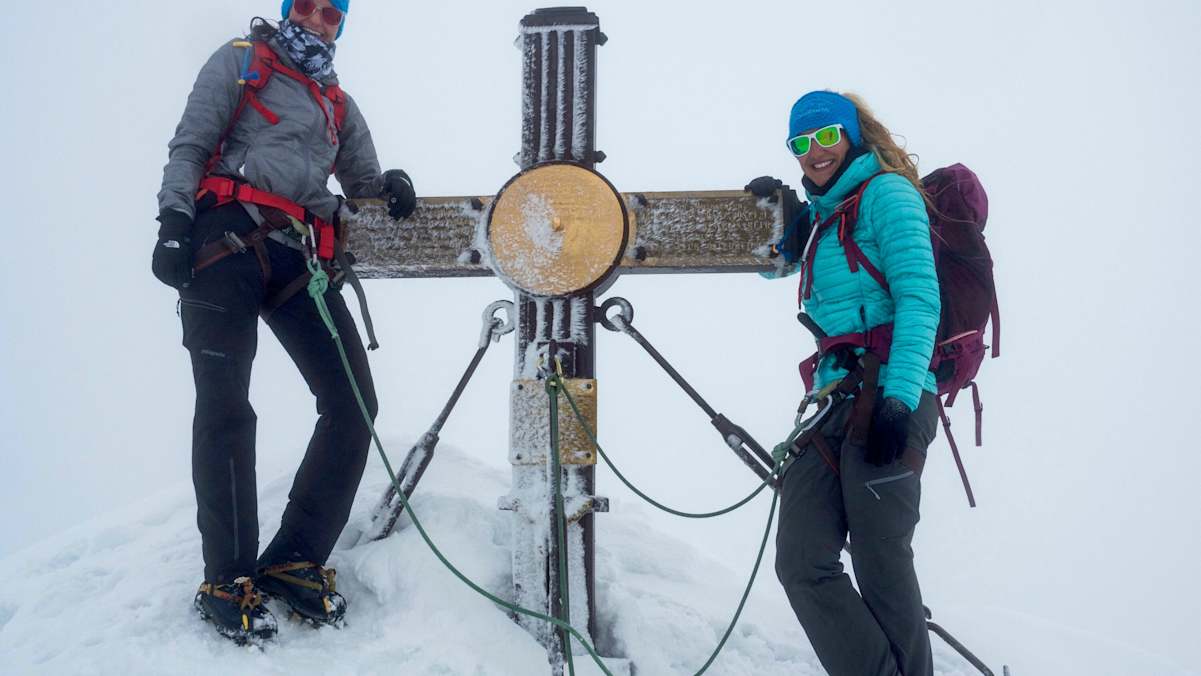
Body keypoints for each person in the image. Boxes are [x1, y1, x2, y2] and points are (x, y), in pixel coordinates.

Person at [151, 0, 417, 644]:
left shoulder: (338, 104)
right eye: (307, 6)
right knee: (226, 406)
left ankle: (296, 558)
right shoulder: (242, 62)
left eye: (333, 13)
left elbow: (361, 182)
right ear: (287, 10)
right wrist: (174, 221)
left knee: (354, 402)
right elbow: (191, 143)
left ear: (340, 25)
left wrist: (391, 185)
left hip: (299, 255)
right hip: (223, 241)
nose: (319, 19)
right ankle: (228, 578)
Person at [747, 91, 942, 675]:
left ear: (853, 134)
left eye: (825, 137)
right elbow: (776, 264)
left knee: (882, 564)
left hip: (892, 393)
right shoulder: (826, 213)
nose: (814, 153)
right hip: (835, 399)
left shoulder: (887, 193)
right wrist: (772, 217)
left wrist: (898, 404)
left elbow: (919, 299)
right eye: (800, 144)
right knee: (802, 561)